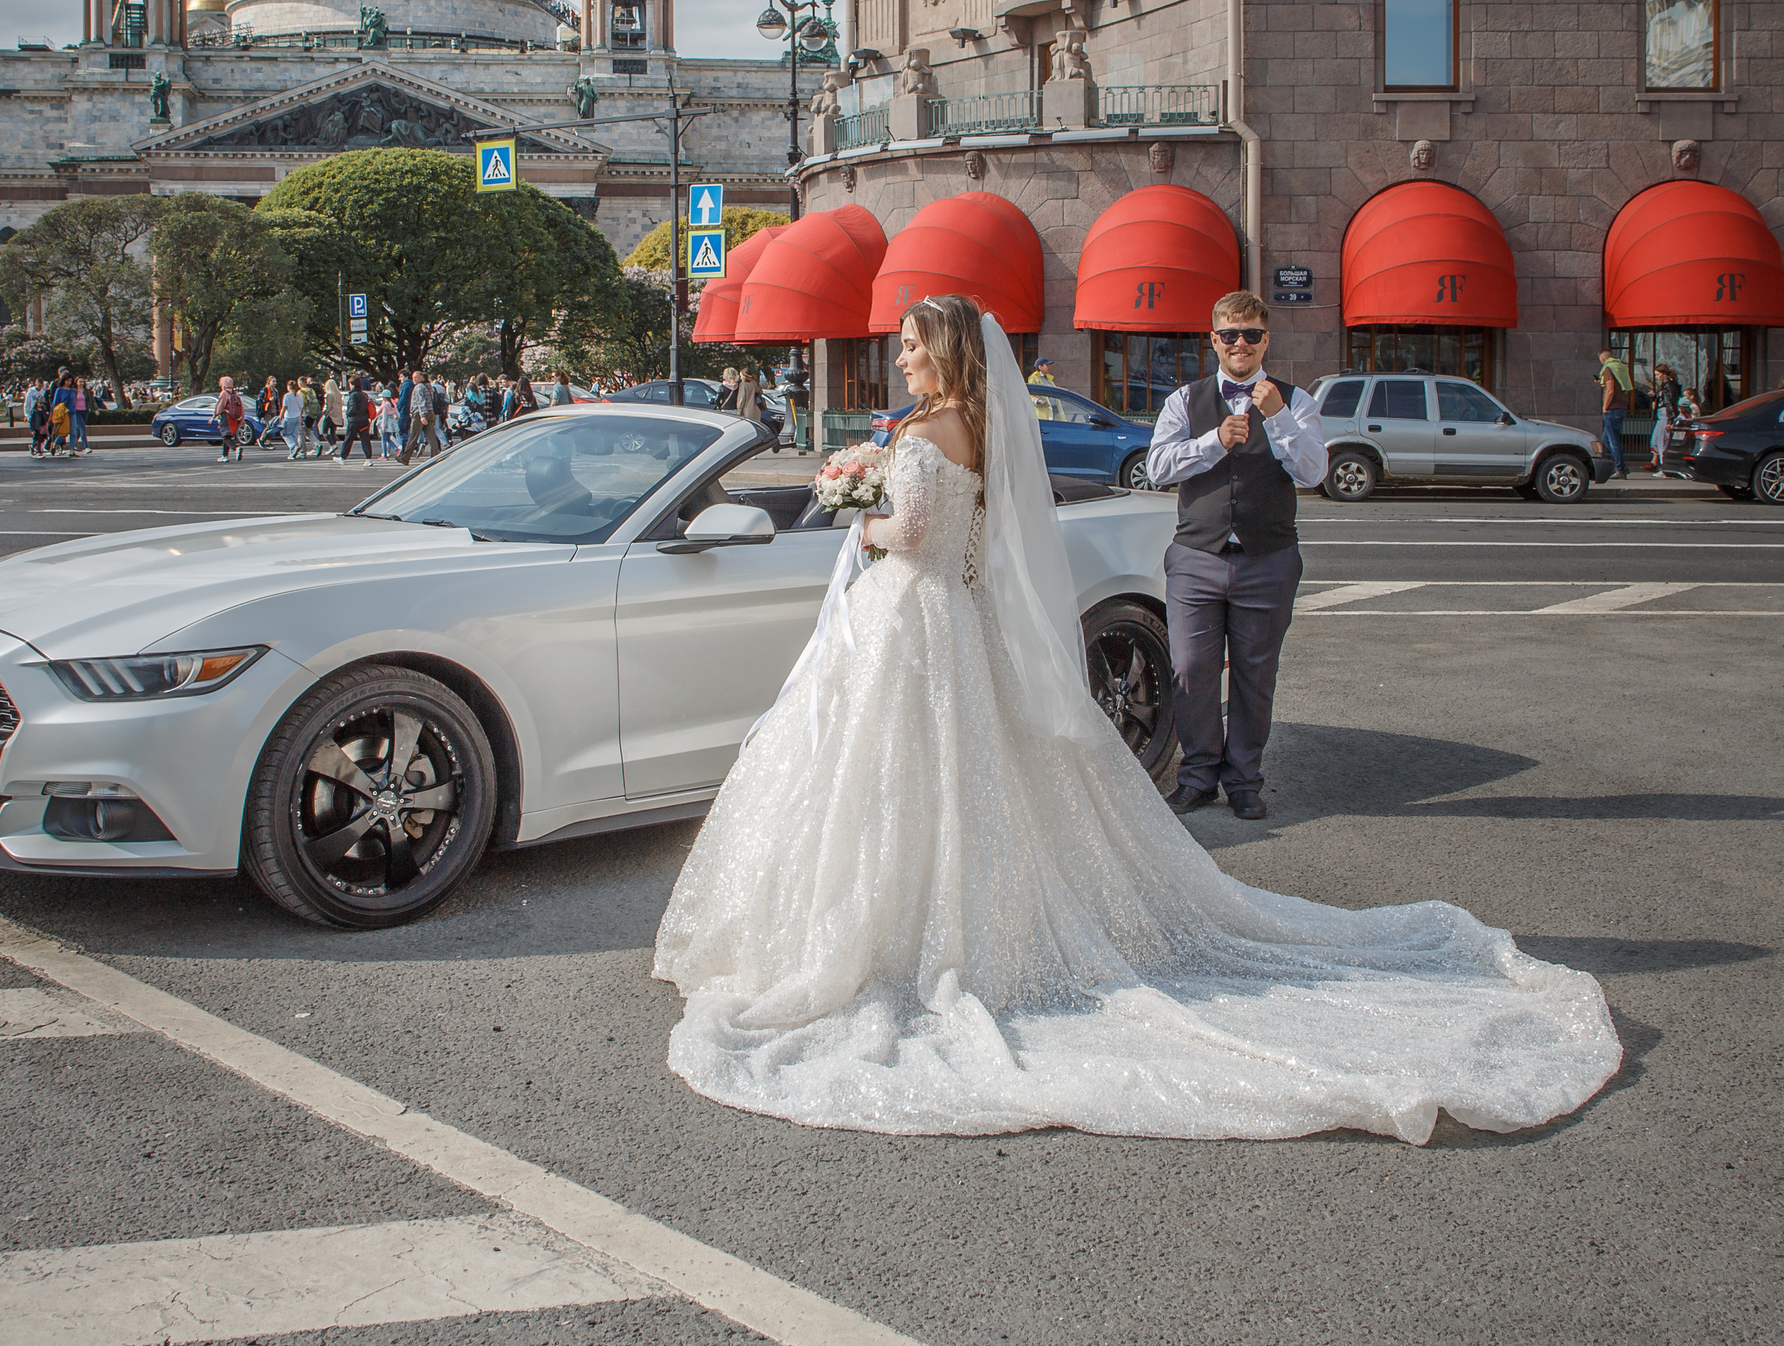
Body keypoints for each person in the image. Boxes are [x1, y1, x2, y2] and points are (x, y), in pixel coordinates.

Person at [653, 291, 1621, 1143]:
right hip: (946, 620)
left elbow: (909, 534)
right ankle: (965, 901)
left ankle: (895, 937)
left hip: (911, 618)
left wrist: (851, 511)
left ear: (942, 351)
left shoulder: (923, 435)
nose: (899, 354)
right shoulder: (969, 428)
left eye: (909, 342)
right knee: (944, 780)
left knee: (897, 780)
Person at [1143, 292, 1326, 822]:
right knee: (1191, 668)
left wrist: (1281, 419)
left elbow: (1315, 472)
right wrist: (1212, 442)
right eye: (1229, 334)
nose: (1239, 343)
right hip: (1197, 556)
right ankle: (1199, 775)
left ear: (1265, 339)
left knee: (1254, 673)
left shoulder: (1294, 401)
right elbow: (1157, 467)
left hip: (1267, 558)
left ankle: (1244, 780)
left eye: (1250, 334)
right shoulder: (1186, 400)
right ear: (1213, 340)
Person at [1595, 347, 1633, 480]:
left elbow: (1610, 390)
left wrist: (1605, 407)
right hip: (1620, 407)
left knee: (1613, 441)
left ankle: (1621, 469)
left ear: (1603, 358)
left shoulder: (1608, 369)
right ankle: (1622, 465)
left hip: (1612, 409)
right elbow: (1621, 387)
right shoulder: (1620, 367)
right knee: (1606, 439)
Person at [1649, 363, 1683, 476]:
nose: (1657, 377)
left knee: (1662, 442)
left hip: (1666, 414)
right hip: (1662, 414)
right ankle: (1659, 465)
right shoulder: (1664, 385)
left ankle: (1665, 468)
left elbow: (1671, 403)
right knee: (1656, 441)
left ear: (1665, 374)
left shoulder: (1669, 385)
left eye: (1658, 374)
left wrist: (1671, 421)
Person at [338, 373, 375, 464]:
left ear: (352, 384)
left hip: (354, 420)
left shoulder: (353, 395)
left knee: (349, 439)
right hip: (364, 419)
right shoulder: (364, 394)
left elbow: (353, 408)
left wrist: (348, 413)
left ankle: (343, 457)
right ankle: (368, 458)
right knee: (365, 439)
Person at [215, 376, 246, 463]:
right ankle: (225, 456)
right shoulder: (235, 394)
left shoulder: (224, 393)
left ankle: (236, 448)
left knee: (225, 436)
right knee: (228, 435)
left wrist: (215, 415)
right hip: (234, 418)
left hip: (226, 416)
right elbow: (241, 407)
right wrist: (242, 418)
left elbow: (220, 406)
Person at [281, 378, 309, 458]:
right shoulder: (299, 396)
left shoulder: (287, 396)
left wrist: (281, 416)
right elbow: (302, 407)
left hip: (289, 417)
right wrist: (301, 416)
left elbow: (285, 407)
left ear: (288, 387)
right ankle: (293, 453)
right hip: (298, 417)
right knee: (294, 435)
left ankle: (293, 446)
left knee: (285, 433)